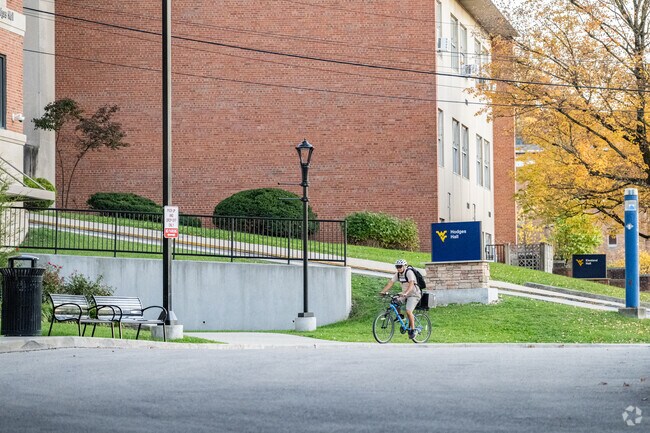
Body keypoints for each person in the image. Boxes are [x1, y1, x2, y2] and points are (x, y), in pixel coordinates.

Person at [379, 259, 422, 339]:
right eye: (397, 267)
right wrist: (383, 291)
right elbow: (390, 283)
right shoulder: (398, 274)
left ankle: (413, 330)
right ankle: (400, 316)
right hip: (404, 294)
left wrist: (405, 293)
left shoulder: (409, 272)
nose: (398, 268)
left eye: (400, 266)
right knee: (394, 300)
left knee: (408, 311)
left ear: (404, 266)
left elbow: (411, 284)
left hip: (414, 294)